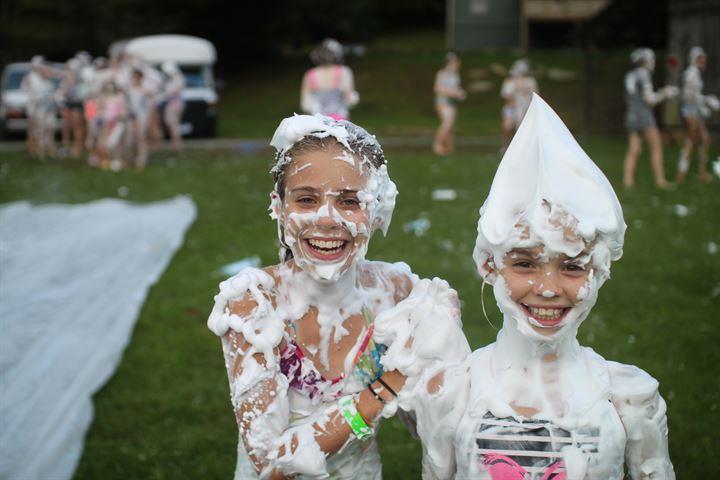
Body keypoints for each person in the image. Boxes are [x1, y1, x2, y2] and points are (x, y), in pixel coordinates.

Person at [408, 94, 674, 479]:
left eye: (571, 267)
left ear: (598, 272)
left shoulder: (628, 399)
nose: (548, 288)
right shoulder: (453, 394)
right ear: (489, 266)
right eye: (525, 264)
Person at [207, 114, 469, 479]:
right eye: (306, 199)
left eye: (349, 201)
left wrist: (443, 350)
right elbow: (270, 464)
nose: (327, 219)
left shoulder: (395, 291)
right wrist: (383, 390)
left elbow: (432, 425)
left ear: (376, 210)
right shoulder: (254, 302)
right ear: (279, 208)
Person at [622, 48, 679, 189]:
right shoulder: (644, 75)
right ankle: (660, 181)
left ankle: (628, 182)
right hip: (644, 116)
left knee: (634, 149)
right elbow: (649, 99)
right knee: (656, 147)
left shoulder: (630, 75)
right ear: (645, 61)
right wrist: (665, 93)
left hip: (632, 115)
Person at [676, 46, 720, 183]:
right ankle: (681, 173)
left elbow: (695, 95)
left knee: (704, 140)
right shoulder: (691, 74)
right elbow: (689, 95)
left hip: (695, 111)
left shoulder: (695, 73)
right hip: (690, 111)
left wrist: (703, 104)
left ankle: (702, 172)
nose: (704, 62)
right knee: (691, 141)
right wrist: (706, 102)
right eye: (702, 59)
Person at [300, 39, 359, 121]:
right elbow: (349, 99)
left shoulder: (309, 74)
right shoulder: (344, 72)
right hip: (340, 119)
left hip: (318, 121)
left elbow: (306, 104)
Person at [500, 59, 538, 153]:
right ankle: (505, 147)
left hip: (526, 108)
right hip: (512, 108)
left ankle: (523, 149)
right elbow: (508, 98)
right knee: (507, 126)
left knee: (523, 129)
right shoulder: (509, 82)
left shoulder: (530, 82)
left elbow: (535, 96)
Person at [433, 52, 465, 156]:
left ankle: (449, 147)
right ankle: (437, 144)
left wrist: (459, 93)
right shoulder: (442, 74)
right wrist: (453, 93)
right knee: (447, 123)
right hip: (443, 102)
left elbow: (455, 88)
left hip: (452, 103)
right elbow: (438, 88)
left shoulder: (455, 76)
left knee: (451, 126)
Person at [160, 60, 185, 151]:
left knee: (173, 123)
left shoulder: (178, 78)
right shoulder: (171, 79)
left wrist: (165, 95)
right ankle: (175, 143)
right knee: (170, 122)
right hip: (172, 103)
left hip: (175, 103)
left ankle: (177, 144)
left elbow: (174, 91)